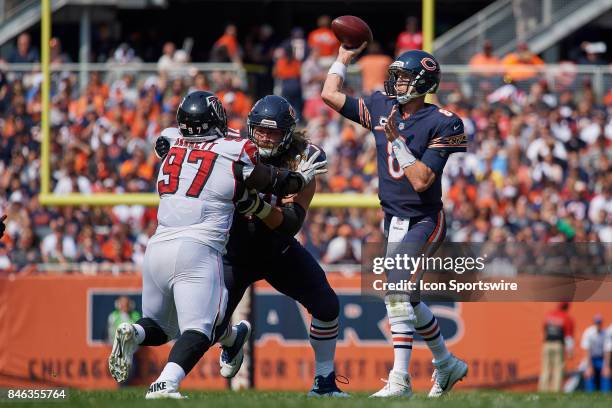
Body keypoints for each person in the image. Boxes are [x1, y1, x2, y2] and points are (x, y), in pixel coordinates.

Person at [107, 91, 325, 399]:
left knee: (162, 327)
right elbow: (274, 181)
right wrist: (299, 180)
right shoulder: (235, 150)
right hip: (200, 248)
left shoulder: (172, 140)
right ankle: (165, 382)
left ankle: (136, 332)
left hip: (157, 244)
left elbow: (165, 140)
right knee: (200, 328)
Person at [155, 95, 345, 396]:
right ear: (249, 128)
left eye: (274, 132)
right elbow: (174, 138)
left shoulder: (303, 159)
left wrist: (255, 206)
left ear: (288, 133)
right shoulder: (233, 149)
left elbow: (291, 222)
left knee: (327, 305)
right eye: (260, 131)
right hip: (234, 252)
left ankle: (323, 382)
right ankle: (226, 343)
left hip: (277, 249)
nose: (266, 138)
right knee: (208, 326)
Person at [321, 44, 468, 397]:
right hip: (392, 219)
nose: (396, 83)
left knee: (397, 291)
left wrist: (397, 142)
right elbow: (329, 93)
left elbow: (420, 181)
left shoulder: (444, 122)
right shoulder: (381, 106)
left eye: (403, 78)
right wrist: (342, 58)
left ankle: (400, 380)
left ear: (422, 82)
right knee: (408, 299)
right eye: (396, 76)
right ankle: (447, 364)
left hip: (423, 219)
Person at [538, 302, 575, 392]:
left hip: (547, 344)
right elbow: (568, 337)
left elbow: (544, 329)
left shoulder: (549, 315)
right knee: (558, 369)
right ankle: (556, 391)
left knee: (545, 368)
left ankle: (543, 390)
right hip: (558, 345)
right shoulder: (566, 318)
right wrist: (570, 351)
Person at [581, 314, 606, 392]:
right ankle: (590, 392)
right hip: (590, 358)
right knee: (589, 373)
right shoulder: (588, 333)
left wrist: (606, 366)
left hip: (601, 359)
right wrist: (589, 366)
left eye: (599, 323)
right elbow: (586, 350)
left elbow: (607, 350)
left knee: (606, 374)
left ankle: (605, 393)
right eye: (596, 323)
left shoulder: (605, 333)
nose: (598, 325)